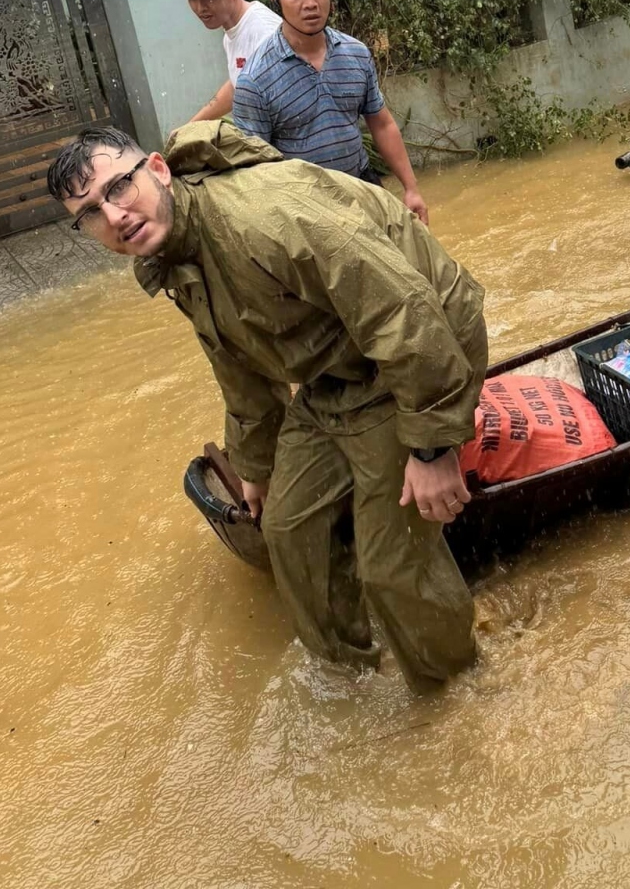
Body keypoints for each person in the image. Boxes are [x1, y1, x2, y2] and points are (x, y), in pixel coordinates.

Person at [45, 119, 488, 692]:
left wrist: (432, 446)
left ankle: (456, 692)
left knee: (391, 565)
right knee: (287, 529)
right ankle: (346, 680)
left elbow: (404, 308)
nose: (113, 216)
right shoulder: (171, 251)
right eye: (89, 214)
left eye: (117, 188)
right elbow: (238, 362)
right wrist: (256, 467)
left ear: (157, 169)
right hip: (333, 373)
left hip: (418, 353)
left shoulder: (262, 219)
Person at [232, 0, 430, 224]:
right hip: (308, 211)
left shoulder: (356, 54)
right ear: (276, 0)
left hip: (364, 187)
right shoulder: (255, 80)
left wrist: (411, 189)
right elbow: (254, 173)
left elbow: (382, 123)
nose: (310, 2)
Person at [173, 0, 279, 123]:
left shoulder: (264, 32)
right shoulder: (231, 32)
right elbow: (236, 86)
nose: (200, 7)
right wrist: (191, 126)